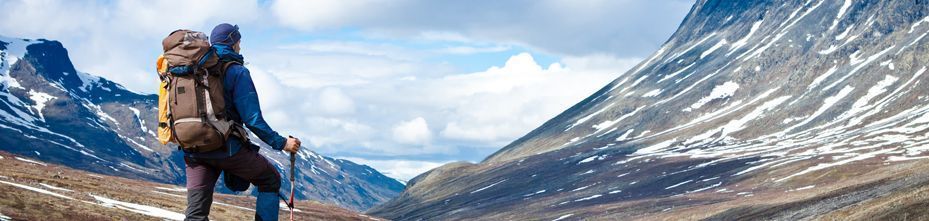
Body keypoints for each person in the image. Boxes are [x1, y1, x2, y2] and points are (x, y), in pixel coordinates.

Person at [183, 23, 301, 221]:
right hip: (226, 148)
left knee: (196, 214)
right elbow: (252, 119)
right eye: (239, 41)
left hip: (193, 148)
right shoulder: (237, 72)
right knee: (270, 179)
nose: (240, 46)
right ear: (233, 42)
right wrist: (282, 143)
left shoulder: (192, 69)